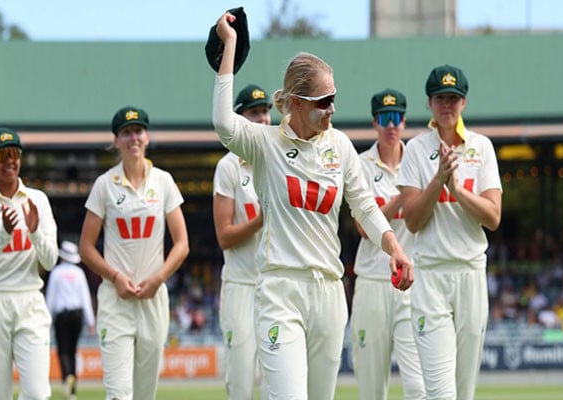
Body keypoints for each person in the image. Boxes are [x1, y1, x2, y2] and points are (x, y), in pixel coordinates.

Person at [211, 11, 413, 400]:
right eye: (324, 101)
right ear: (297, 103)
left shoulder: (340, 146)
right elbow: (223, 122)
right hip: (280, 291)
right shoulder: (265, 144)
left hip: (330, 295)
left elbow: (365, 207)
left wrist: (394, 247)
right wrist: (230, 46)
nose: (332, 108)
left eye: (334, 98)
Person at [397, 65, 502, 400]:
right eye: (440, 98)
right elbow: (412, 221)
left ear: (464, 103)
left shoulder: (481, 147)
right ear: (429, 103)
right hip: (431, 275)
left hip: (471, 273)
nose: (447, 105)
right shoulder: (416, 149)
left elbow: (493, 217)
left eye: (453, 98)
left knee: (464, 391)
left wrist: (457, 190)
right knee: (441, 392)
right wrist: (438, 180)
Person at [79, 106, 189, 399]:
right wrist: (115, 277)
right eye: (126, 133)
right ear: (116, 141)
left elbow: (182, 244)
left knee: (144, 393)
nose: (133, 138)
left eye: (138, 131)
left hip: (153, 299)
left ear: (147, 137)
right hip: (116, 301)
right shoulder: (104, 185)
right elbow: (86, 247)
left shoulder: (163, 181)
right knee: (119, 393)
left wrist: (159, 278)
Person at [0, 127, 59, 399]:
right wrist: (3, 234)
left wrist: (35, 231)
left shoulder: (37, 200)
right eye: (2, 155)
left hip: (30, 300)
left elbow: (50, 260)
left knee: (37, 393)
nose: (10, 161)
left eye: (14, 154)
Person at [349, 89, 425, 400]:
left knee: (419, 387)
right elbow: (364, 227)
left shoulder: (418, 161)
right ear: (374, 123)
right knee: (372, 389)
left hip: (412, 282)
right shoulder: (360, 164)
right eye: (384, 118)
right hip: (371, 280)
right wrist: (403, 196)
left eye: (396, 118)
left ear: (404, 121)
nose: (391, 126)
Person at [213, 84, 271, 399]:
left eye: (265, 112)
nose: (262, 119)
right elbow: (224, 236)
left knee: (277, 381)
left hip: (275, 285)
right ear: (239, 118)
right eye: (254, 113)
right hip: (241, 285)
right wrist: (260, 220)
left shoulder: (280, 160)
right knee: (241, 381)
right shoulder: (228, 167)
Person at [46, 240, 96, 399]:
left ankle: (67, 377)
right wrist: (91, 321)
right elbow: (85, 298)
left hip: (62, 316)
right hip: (77, 315)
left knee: (63, 351)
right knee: (73, 351)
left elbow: (51, 297)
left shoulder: (56, 273)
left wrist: (47, 320)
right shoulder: (79, 273)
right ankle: (73, 388)